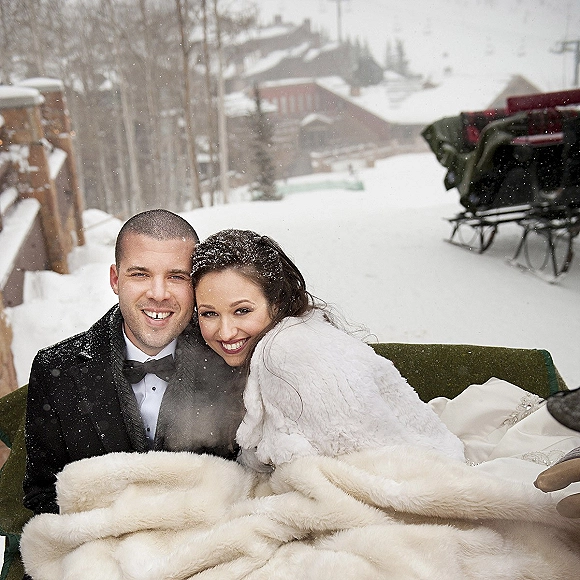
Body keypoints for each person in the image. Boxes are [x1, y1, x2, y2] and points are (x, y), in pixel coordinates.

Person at [23, 209, 245, 516]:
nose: (158, 294)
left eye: (176, 276)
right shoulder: (56, 370)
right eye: (140, 274)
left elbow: (252, 481)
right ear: (115, 279)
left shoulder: (231, 360)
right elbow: (43, 494)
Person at [190, 229, 465, 471]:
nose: (226, 332)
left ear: (277, 303)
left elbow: (374, 467)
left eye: (242, 311)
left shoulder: (289, 354)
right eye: (209, 314)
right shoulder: (277, 342)